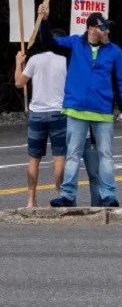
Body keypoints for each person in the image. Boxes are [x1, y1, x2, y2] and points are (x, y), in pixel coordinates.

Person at [36, 5, 122, 208]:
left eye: (107, 27)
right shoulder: (74, 44)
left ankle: (108, 196)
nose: (107, 31)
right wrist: (45, 21)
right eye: (103, 27)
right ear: (90, 29)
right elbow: (49, 42)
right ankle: (68, 195)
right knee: (72, 154)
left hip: (103, 111)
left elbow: (120, 81)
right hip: (76, 109)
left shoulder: (115, 51)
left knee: (106, 155)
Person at [14, 48, 67, 208]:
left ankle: (31, 200)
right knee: (59, 157)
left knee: (34, 158)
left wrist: (18, 63)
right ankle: (59, 196)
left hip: (37, 113)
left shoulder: (35, 59)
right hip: (59, 111)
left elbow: (19, 83)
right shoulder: (65, 60)